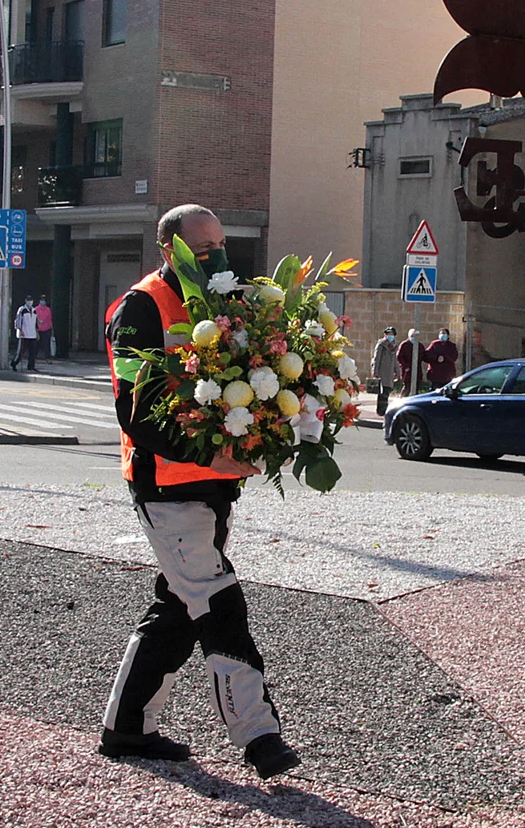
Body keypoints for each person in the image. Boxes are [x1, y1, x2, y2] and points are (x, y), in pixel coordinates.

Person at [100, 203, 301, 779]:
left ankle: (127, 730)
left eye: (220, 243)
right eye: (203, 246)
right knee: (217, 602)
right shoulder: (139, 309)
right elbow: (135, 412)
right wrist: (208, 451)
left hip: (213, 486)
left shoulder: (223, 300)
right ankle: (259, 735)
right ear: (170, 249)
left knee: (178, 609)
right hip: (166, 486)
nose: (217, 254)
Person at [370, 326, 399, 417]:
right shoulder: (381, 344)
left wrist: (398, 373)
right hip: (382, 372)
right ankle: (381, 410)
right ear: (385, 335)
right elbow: (376, 358)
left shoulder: (394, 346)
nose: (390, 336)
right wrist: (375, 371)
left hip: (390, 373)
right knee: (382, 392)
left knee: (387, 390)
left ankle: (384, 409)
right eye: (388, 334)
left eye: (392, 334)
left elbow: (395, 361)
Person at [14, 297, 40, 372]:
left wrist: (37, 333)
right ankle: (14, 363)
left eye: (31, 300)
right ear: (25, 301)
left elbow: (35, 323)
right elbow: (18, 320)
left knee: (32, 352)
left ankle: (31, 366)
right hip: (24, 334)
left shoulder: (34, 310)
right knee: (21, 352)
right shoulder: (22, 310)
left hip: (32, 334)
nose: (30, 302)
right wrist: (20, 330)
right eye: (28, 300)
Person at [395, 328, 423, 395]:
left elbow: (424, 356)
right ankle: (401, 400)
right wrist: (405, 366)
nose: (413, 338)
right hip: (407, 371)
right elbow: (399, 357)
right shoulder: (404, 345)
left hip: (417, 370)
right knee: (407, 387)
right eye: (412, 336)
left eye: (415, 336)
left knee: (416, 388)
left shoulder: (420, 345)